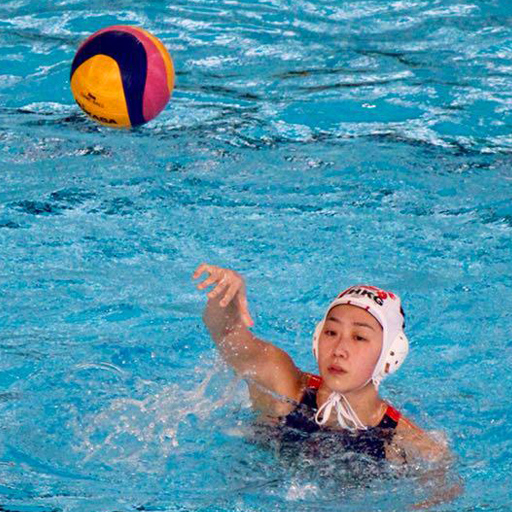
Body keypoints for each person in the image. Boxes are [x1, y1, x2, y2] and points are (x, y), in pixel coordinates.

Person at [192, 263, 448, 464]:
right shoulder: (284, 388)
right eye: (331, 332)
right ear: (317, 339)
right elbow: (228, 337)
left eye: (359, 337)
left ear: (391, 356)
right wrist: (224, 298)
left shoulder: (407, 444)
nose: (339, 350)